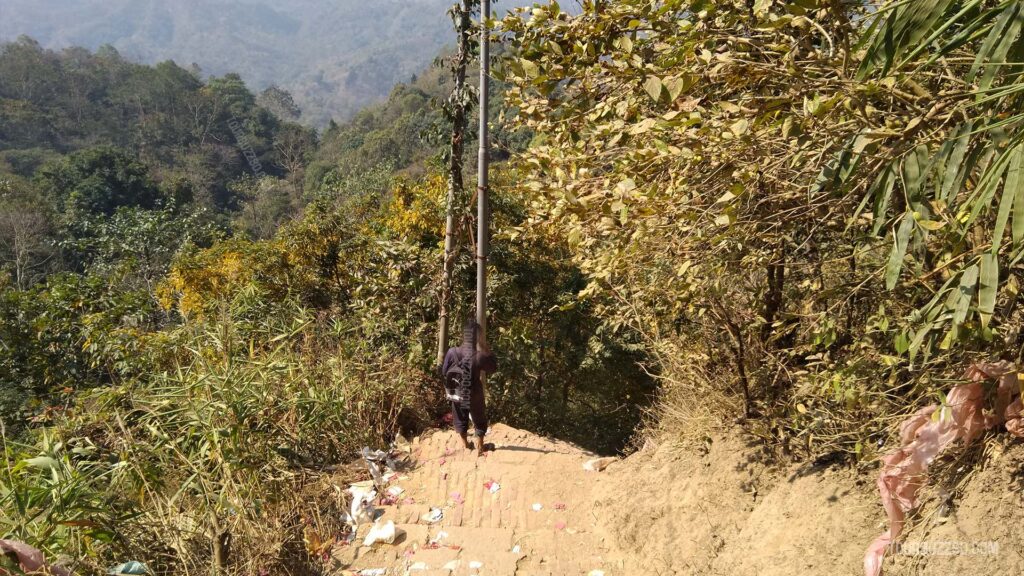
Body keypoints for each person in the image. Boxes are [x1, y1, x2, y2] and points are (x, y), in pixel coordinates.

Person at [440, 316, 497, 456]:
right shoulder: (479, 356)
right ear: (477, 337)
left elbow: (444, 371)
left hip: (457, 392)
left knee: (459, 416)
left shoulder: (452, 352)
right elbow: (493, 368)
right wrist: (485, 347)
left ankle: (465, 445)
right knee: (479, 417)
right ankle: (480, 446)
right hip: (475, 392)